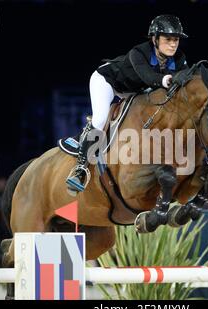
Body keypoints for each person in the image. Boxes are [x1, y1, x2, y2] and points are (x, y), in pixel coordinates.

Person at [64, 14, 189, 194]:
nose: (173, 44)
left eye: (176, 39)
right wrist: (168, 79)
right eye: (168, 39)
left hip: (135, 90)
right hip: (108, 81)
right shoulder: (139, 53)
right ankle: (80, 169)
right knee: (100, 119)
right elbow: (149, 77)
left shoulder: (179, 59)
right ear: (154, 39)